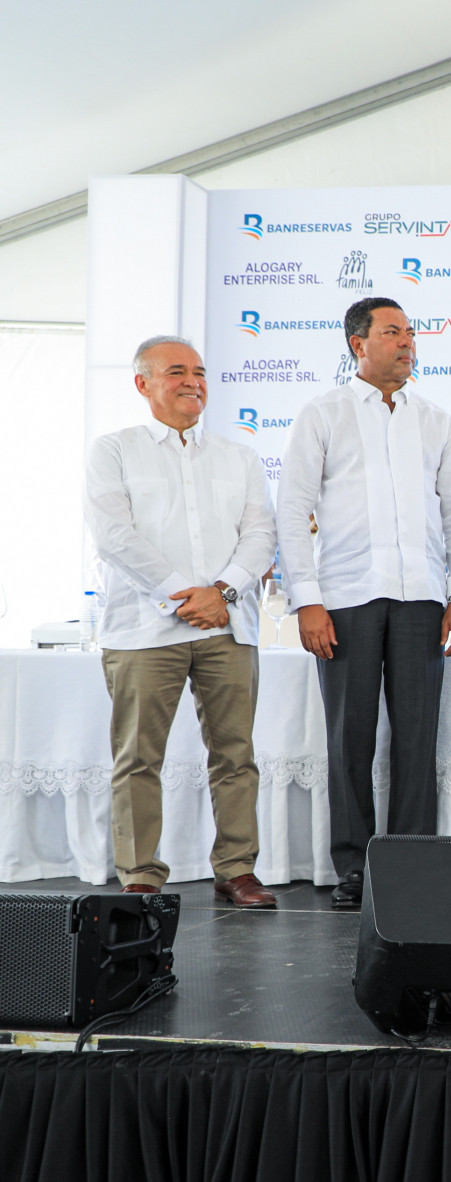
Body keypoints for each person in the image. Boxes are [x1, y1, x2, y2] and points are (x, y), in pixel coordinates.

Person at [278, 297, 451, 910]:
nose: (408, 342)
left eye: (411, 332)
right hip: (345, 599)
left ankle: (412, 866)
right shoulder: (323, 414)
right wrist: (307, 601)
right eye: (393, 332)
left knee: (417, 739)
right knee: (349, 739)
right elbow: (292, 511)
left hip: (422, 600)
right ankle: (355, 868)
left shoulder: (436, 420)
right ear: (358, 344)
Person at [84, 336, 279, 906]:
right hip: (142, 631)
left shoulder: (239, 456)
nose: (193, 381)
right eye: (176, 371)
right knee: (138, 759)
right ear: (143, 383)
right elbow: (114, 536)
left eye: (199, 371)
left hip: (227, 625)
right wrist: (182, 595)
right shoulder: (114, 450)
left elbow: (260, 535)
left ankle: (237, 870)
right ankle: (140, 873)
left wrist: (220, 592)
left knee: (236, 756)